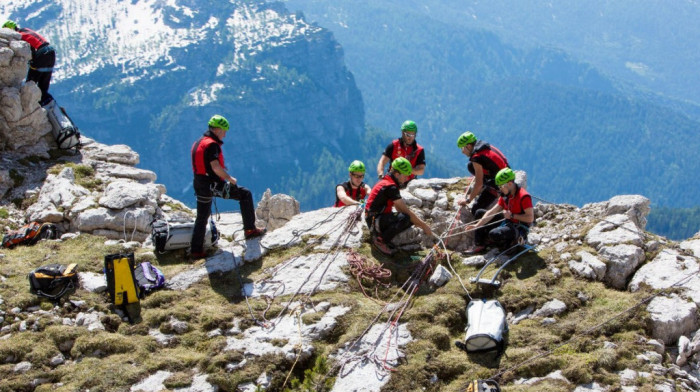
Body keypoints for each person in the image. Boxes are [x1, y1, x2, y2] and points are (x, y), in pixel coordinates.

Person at [190, 115, 265, 259]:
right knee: (245, 194)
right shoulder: (212, 145)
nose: (225, 134)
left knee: (202, 216)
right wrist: (230, 179)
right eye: (224, 130)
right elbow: (215, 166)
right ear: (217, 129)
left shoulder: (199, 142)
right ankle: (250, 230)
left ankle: (196, 251)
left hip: (199, 183)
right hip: (213, 184)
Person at [365, 157, 433, 255]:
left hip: (373, 218)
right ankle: (380, 241)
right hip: (375, 220)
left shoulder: (387, 181)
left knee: (408, 219)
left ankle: (384, 237)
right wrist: (424, 226)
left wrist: (419, 223)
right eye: (405, 176)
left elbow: (399, 208)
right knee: (405, 218)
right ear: (397, 174)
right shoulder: (391, 187)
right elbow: (405, 211)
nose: (406, 179)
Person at [465, 168, 534, 254]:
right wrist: (477, 225)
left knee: (494, 234)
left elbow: (530, 218)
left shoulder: (524, 196)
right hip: (508, 221)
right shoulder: (505, 195)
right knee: (479, 212)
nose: (500, 189)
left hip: (518, 227)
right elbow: (492, 212)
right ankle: (479, 244)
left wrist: (512, 215)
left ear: (509, 184)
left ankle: (512, 244)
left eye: (501, 186)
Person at [456, 131, 510, 216]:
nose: (462, 151)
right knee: (470, 166)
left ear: (469, 146)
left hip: (501, 183)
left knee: (476, 209)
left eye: (463, 148)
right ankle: (492, 186)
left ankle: (493, 191)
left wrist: (468, 200)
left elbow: (478, 183)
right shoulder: (483, 146)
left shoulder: (476, 157)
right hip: (506, 174)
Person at [3, 20, 55, 105]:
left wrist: (32, 62)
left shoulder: (19, 36)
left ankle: (31, 103)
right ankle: (46, 100)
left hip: (41, 51)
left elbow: (30, 49)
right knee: (45, 79)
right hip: (51, 51)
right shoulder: (26, 30)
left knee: (31, 80)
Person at [376, 120, 425, 187]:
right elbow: (382, 162)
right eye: (408, 135)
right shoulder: (394, 145)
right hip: (392, 181)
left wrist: (408, 171)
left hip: (409, 183)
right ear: (402, 133)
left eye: (413, 135)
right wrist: (381, 174)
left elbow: (421, 170)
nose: (410, 137)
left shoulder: (419, 150)